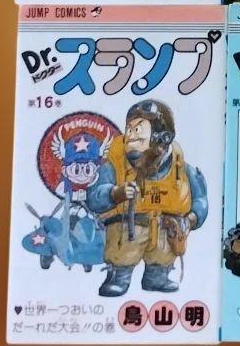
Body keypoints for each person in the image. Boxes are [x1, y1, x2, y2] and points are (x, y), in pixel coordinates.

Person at [87, 100, 208, 297]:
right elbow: (94, 197)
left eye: (138, 129)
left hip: (166, 230)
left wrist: (191, 219)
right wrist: (115, 193)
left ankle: (157, 276)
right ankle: (118, 276)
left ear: (163, 136)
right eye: (129, 129)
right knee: (123, 248)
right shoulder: (114, 165)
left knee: (163, 251)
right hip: (129, 227)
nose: (131, 135)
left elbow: (200, 198)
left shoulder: (182, 168)